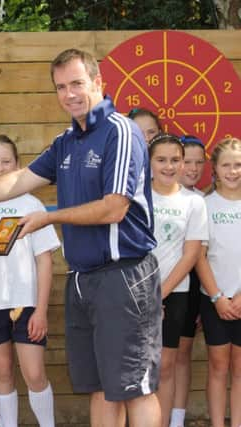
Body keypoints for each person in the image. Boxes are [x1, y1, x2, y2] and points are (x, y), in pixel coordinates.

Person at [0, 48, 162, 427]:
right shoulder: (66, 141)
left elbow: (114, 208)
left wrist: (49, 216)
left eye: (77, 83)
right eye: (61, 87)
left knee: (134, 388)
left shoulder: (120, 131)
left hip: (124, 276)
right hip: (82, 278)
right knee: (98, 387)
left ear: (98, 83)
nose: (69, 94)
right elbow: (20, 178)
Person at [0, 135, 60, 427]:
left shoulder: (31, 203)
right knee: (2, 372)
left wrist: (41, 309)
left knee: (34, 373)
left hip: (27, 303)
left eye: (5, 161)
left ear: (18, 165)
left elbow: (44, 260)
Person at [147, 134, 208, 427]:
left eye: (175, 160)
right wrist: (147, 295)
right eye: (161, 160)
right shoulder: (136, 197)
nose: (169, 166)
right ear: (149, 163)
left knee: (166, 366)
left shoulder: (194, 202)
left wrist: (160, 295)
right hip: (138, 294)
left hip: (176, 294)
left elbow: (191, 254)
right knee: (138, 369)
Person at [195, 137, 241, 427]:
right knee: (218, 366)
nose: (233, 171)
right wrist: (217, 298)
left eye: (238, 165)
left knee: (239, 370)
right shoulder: (204, 204)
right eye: (227, 165)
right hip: (214, 300)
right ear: (215, 168)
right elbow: (198, 256)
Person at [171, 134, 207, 427]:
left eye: (199, 162)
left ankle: (177, 419)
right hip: (159, 287)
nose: (193, 168)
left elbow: (203, 257)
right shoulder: (155, 196)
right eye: (188, 162)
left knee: (181, 355)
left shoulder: (203, 201)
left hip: (192, 289)